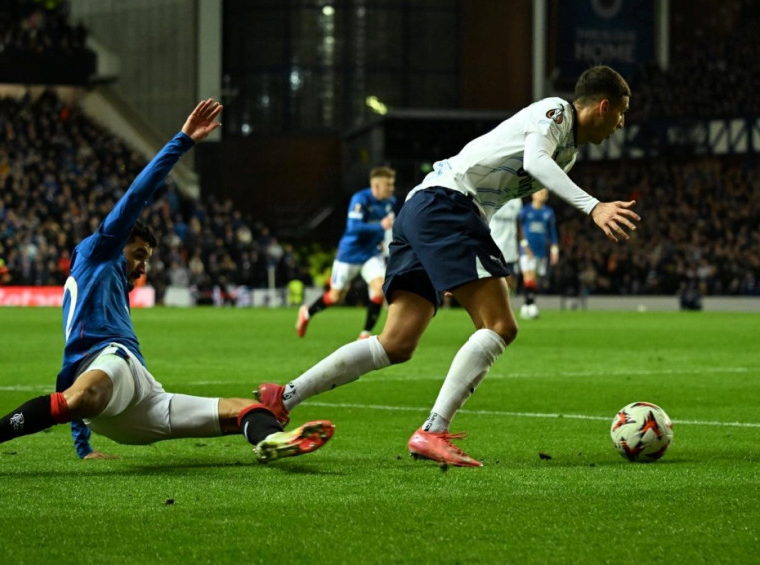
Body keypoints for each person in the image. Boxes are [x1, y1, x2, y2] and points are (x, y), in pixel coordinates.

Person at [0, 99, 334, 479]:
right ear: (119, 243)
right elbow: (136, 196)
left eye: (147, 258)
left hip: (138, 398)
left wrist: (84, 448)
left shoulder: (107, 286)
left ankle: (268, 440)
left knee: (244, 409)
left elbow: (76, 364)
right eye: (138, 253)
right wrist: (183, 140)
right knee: (85, 391)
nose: (142, 265)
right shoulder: (98, 251)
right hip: (109, 375)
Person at [256, 65, 638, 467]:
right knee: (500, 326)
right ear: (603, 106)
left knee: (396, 343)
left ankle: (283, 397)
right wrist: (593, 207)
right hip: (447, 205)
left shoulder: (570, 153)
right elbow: (536, 161)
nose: (621, 123)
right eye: (621, 113)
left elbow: (516, 179)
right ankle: (433, 430)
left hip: (427, 209)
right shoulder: (555, 113)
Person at [295, 166, 397, 340]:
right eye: (388, 185)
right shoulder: (360, 199)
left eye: (392, 184)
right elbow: (354, 227)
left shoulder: (390, 202)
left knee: (379, 290)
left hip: (371, 254)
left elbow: (387, 228)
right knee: (335, 296)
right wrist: (379, 226)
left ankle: (365, 334)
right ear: (376, 186)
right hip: (349, 254)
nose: (391, 188)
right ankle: (306, 313)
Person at [518, 189, 559, 319]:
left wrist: (554, 249)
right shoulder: (525, 211)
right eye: (541, 192)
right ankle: (532, 305)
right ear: (533, 194)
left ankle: (526, 305)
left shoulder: (549, 212)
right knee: (528, 277)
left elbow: (552, 232)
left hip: (541, 251)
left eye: (545, 193)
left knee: (534, 280)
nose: (543, 195)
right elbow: (519, 229)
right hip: (526, 251)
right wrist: (524, 246)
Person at [488, 197, 523, 295]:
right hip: (494, 246)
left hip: (511, 248)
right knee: (496, 280)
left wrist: (523, 243)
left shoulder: (517, 200)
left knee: (512, 283)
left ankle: (507, 303)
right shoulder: (492, 195)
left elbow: (518, 223)